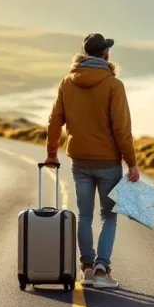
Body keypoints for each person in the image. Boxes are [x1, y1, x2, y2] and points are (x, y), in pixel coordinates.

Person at [44, 33, 140, 289]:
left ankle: (86, 268)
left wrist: (52, 154)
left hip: (80, 160)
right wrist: (131, 163)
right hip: (108, 162)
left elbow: (54, 121)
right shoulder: (114, 85)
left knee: (84, 215)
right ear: (105, 54)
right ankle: (101, 270)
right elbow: (122, 129)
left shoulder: (68, 82)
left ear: (85, 54)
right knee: (109, 216)